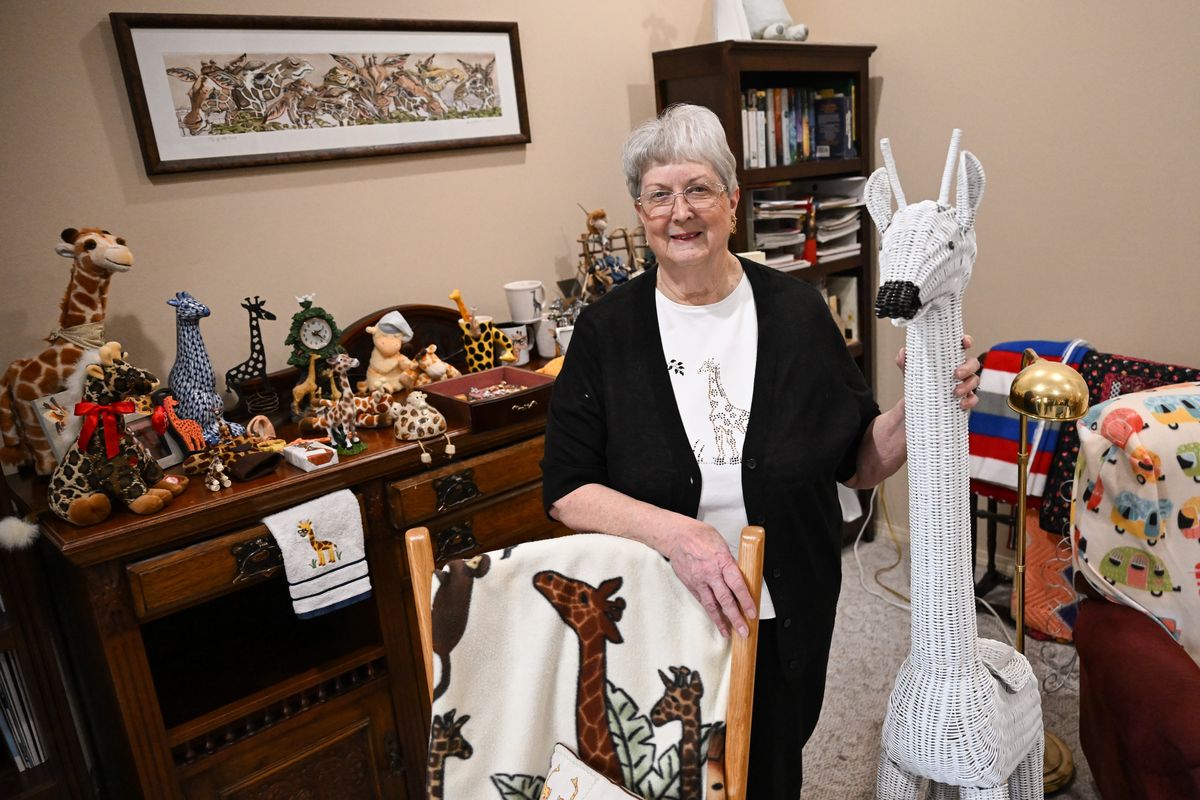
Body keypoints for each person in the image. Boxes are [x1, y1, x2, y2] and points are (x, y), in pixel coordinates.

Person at [540, 103, 980, 797]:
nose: (680, 211)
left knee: (772, 767)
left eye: (699, 189)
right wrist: (680, 535)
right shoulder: (605, 332)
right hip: (653, 611)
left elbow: (857, 461)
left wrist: (922, 401)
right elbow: (567, 490)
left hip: (783, 603)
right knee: (666, 775)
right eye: (660, 194)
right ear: (640, 210)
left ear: (733, 202)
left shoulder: (798, 312)